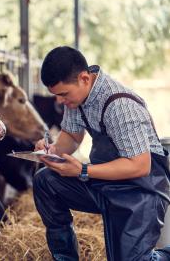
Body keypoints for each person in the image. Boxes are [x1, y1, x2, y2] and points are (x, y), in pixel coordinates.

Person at [33, 46, 170, 261]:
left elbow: (140, 166)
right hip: (106, 183)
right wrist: (52, 151)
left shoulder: (120, 105)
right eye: (57, 95)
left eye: (63, 94)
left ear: (84, 78)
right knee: (45, 181)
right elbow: (72, 136)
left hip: (141, 191)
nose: (60, 101)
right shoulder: (76, 99)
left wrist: (83, 169)